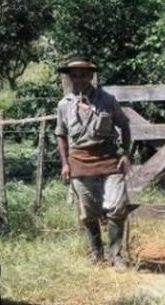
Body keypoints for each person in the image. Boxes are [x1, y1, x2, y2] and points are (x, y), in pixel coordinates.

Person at [54, 57, 132, 270]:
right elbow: (61, 134)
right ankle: (96, 253)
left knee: (117, 206)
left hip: (109, 160)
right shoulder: (64, 105)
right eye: (74, 75)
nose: (79, 79)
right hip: (79, 162)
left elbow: (124, 126)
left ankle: (116, 254)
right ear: (70, 78)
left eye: (83, 74)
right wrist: (65, 164)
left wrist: (125, 153)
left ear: (91, 76)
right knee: (88, 212)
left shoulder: (107, 100)